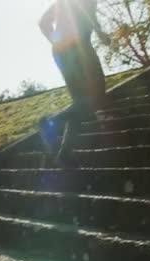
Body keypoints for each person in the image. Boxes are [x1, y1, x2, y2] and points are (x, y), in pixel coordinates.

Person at [39, 0, 110, 165]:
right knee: (95, 98)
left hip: (65, 52)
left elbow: (44, 23)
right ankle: (51, 122)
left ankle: (65, 152)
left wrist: (58, 42)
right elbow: (45, 22)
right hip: (78, 50)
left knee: (80, 103)